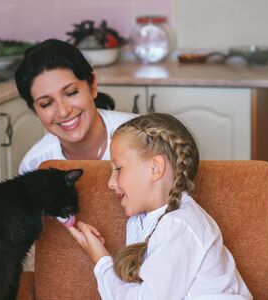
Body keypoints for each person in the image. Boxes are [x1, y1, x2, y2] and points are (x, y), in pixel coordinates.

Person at [67, 113, 252, 300]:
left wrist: (101, 260)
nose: (110, 183)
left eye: (118, 169)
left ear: (155, 168)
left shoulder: (181, 225)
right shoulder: (139, 223)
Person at [14, 38, 137, 174]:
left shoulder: (145, 137)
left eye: (71, 93)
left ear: (92, 85)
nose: (63, 112)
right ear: (34, 110)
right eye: (46, 103)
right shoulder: (34, 165)